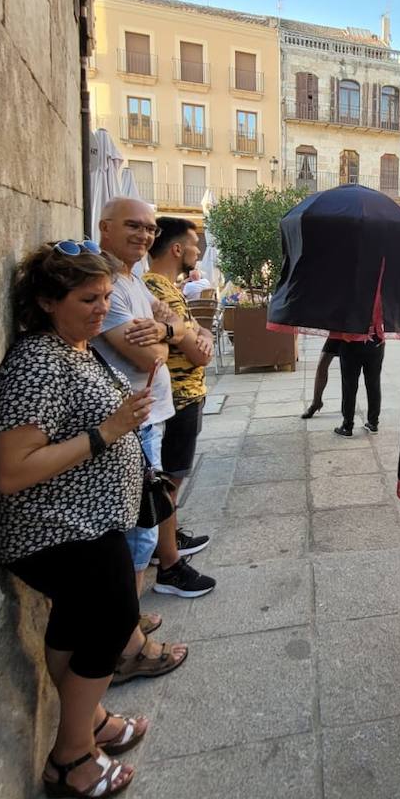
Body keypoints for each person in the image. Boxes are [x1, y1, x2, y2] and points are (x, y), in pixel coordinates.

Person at [0, 241, 188, 799]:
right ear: (49, 301)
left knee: (78, 622)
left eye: (104, 297)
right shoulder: (39, 363)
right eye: (87, 298)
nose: (102, 309)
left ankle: (89, 720)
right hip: (56, 528)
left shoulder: (74, 347)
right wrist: (109, 431)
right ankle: (70, 756)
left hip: (86, 521)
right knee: (110, 622)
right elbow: (11, 471)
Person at [96, 198, 211, 599]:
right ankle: (132, 622)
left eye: (149, 228)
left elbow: (193, 333)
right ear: (104, 227)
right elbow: (163, 353)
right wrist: (169, 337)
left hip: (155, 411)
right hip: (141, 415)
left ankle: (133, 616)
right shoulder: (112, 286)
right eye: (134, 225)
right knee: (144, 523)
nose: (145, 234)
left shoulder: (134, 282)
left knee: (155, 505)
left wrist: (169, 332)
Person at [143, 217, 218, 598]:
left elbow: (197, 332)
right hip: (179, 398)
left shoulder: (168, 289)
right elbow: (197, 351)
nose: (198, 251)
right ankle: (169, 566)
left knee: (173, 479)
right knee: (170, 482)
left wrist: (197, 333)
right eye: (194, 245)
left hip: (183, 396)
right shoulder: (156, 290)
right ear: (176, 249)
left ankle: (168, 537)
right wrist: (195, 336)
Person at [334, 336, 385, 437]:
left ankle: (347, 425)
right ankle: (373, 422)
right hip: (375, 341)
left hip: (351, 341)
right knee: (373, 383)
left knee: (349, 385)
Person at [301, 338, 344, 419]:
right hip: (337, 332)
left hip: (352, 332)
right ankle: (316, 402)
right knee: (322, 365)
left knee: (348, 368)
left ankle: (347, 403)